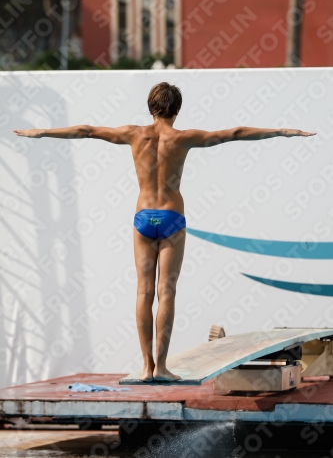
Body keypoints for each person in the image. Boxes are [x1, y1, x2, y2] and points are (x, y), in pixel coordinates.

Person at [14, 81, 316, 382]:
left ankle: (145, 368)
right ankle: (161, 367)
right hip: (172, 216)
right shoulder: (183, 138)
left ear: (150, 107)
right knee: (166, 292)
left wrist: (41, 132)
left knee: (144, 291)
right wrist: (282, 131)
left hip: (144, 217)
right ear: (178, 109)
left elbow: (86, 130)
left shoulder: (134, 134)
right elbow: (233, 134)